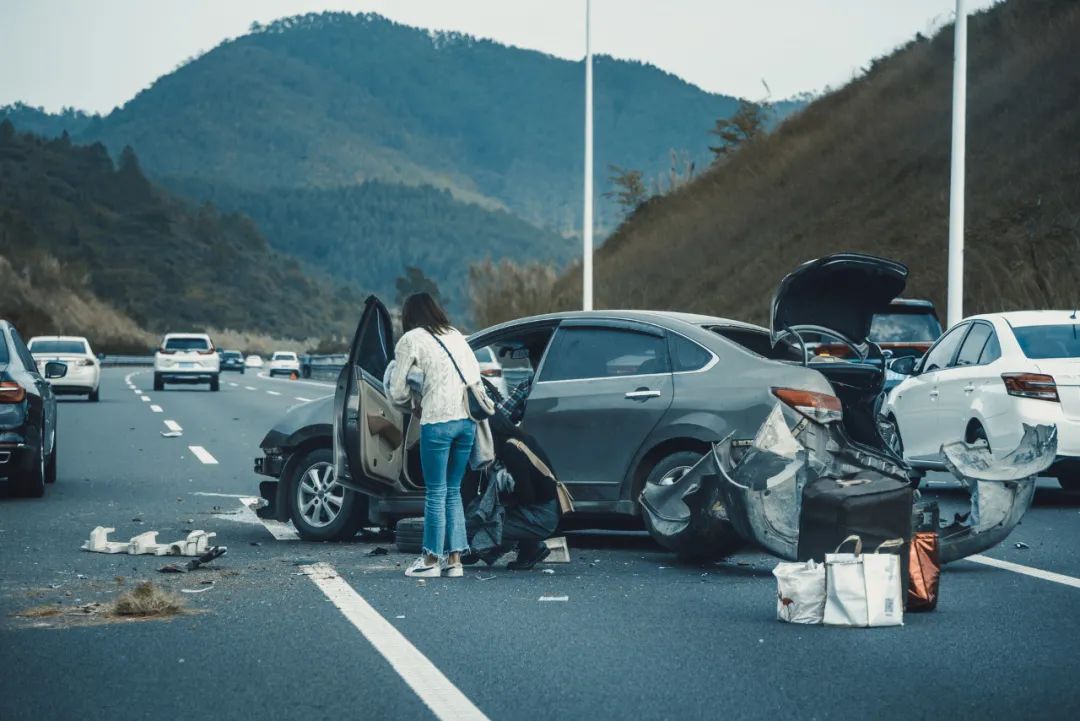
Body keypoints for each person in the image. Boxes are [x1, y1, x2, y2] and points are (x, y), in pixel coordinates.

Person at [388, 292, 481, 578]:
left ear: (409, 316)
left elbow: (397, 390)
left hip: (438, 421)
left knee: (436, 491)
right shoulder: (456, 334)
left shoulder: (411, 339)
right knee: (453, 490)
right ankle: (454, 561)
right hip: (468, 421)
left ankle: (429, 560)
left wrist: (415, 402)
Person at [466, 412, 560, 570]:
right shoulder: (521, 440)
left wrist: (499, 505)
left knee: (488, 526)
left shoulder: (511, 450)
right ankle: (530, 546)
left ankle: (531, 548)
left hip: (542, 516)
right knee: (492, 516)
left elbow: (526, 496)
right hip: (546, 509)